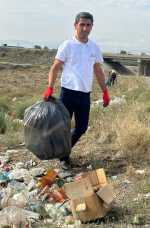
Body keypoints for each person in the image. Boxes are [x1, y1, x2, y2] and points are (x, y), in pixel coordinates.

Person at [44, 12, 110, 170]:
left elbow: (98, 70)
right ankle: (64, 157)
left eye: (88, 25)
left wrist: (105, 91)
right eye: (82, 24)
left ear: (92, 27)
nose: (85, 28)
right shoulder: (67, 45)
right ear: (75, 26)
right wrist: (50, 88)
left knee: (81, 127)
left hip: (85, 95)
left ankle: (62, 152)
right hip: (68, 93)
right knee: (64, 127)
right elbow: (55, 68)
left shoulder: (94, 47)